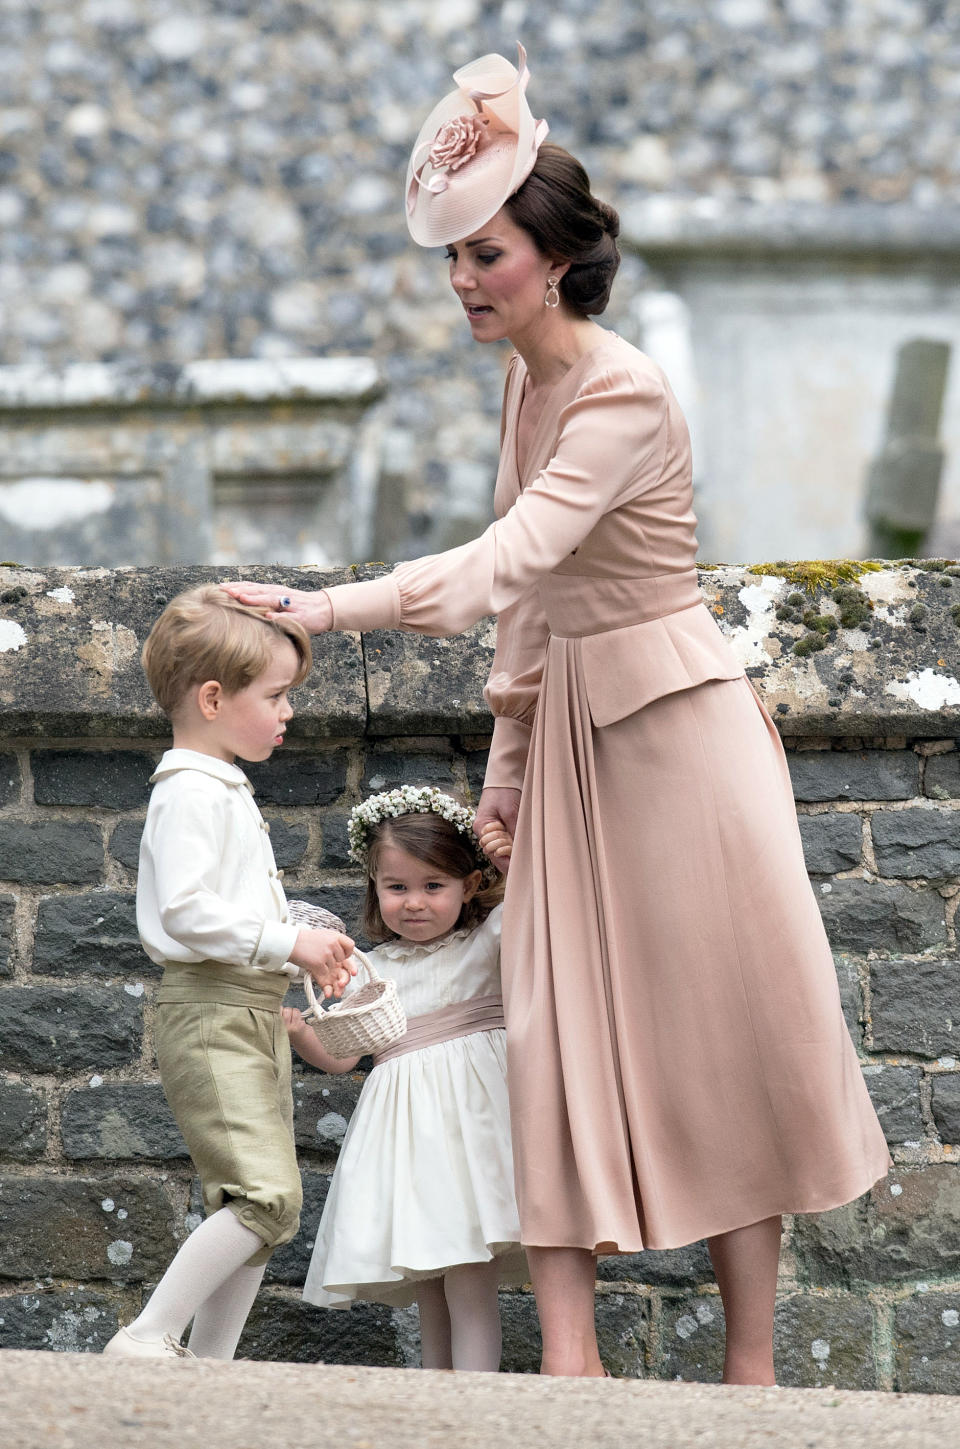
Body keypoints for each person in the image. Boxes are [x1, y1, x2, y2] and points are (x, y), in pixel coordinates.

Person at [222, 46, 890, 1383]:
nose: (466, 280)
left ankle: (752, 1374)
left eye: (488, 256)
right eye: (454, 258)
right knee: (554, 1032)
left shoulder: (624, 389)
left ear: (559, 260)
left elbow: (501, 565)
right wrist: (509, 773)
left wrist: (326, 606)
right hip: (576, 741)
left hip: (680, 738)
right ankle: (570, 1370)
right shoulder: (526, 383)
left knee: (723, 1030)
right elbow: (530, 622)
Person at [103, 584, 356, 1361]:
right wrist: (285, 941)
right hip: (213, 1012)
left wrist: (300, 933)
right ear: (213, 697)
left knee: (263, 1205)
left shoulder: (217, 785)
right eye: (276, 696)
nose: (288, 713)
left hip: (243, 1009)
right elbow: (183, 912)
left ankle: (211, 1362)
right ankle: (147, 1335)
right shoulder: (188, 792)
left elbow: (220, 903)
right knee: (265, 1197)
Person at [285, 787, 523, 1372]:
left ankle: (475, 1409)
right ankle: (436, 1404)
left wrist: (509, 862)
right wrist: (299, 1032)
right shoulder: (374, 966)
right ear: (376, 889)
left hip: (473, 1135)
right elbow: (346, 1056)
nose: (413, 903)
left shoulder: (485, 943)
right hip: (411, 1148)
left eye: (432, 886)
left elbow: (537, 902)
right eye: (396, 888)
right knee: (430, 1289)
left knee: (469, 1280)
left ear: (468, 886)